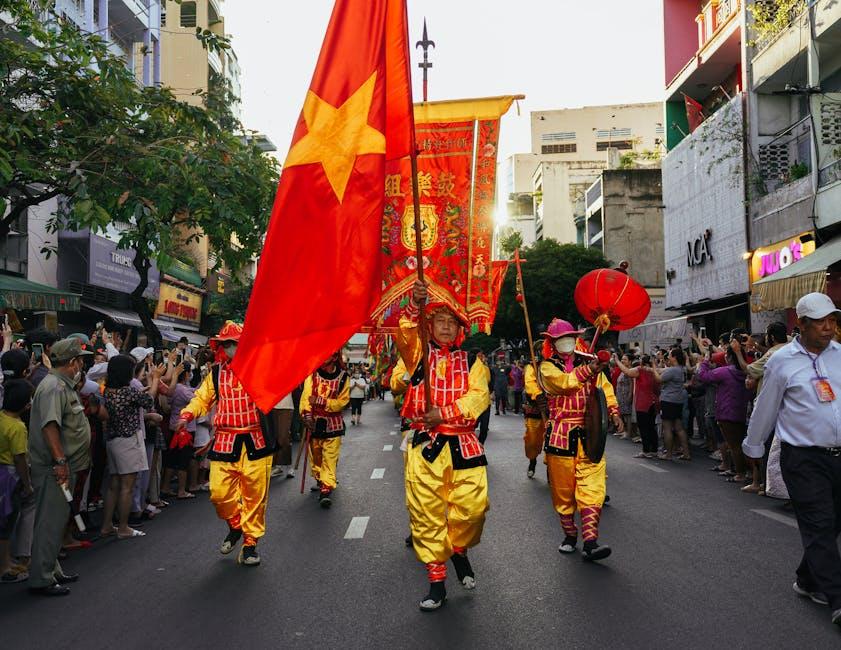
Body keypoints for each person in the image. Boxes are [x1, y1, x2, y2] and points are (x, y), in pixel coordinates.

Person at [743, 293, 841, 627]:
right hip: (802, 458)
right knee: (820, 523)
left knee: (831, 523)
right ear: (800, 324)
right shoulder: (782, 361)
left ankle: (808, 577)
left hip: (838, 456)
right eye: (820, 322)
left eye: (832, 321)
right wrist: (753, 446)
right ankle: (837, 598)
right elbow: (765, 407)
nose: (829, 329)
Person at [396, 280, 490, 611]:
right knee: (428, 515)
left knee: (472, 512)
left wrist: (446, 412)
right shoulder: (416, 356)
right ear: (429, 325)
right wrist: (413, 303)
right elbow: (404, 332)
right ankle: (437, 582)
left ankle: (459, 551)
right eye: (440, 321)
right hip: (427, 449)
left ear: (460, 329)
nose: (447, 327)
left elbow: (479, 398)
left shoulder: (474, 362)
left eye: (452, 322)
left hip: (465, 446)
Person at [176, 322, 277, 567]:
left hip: (256, 440)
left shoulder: (259, 369)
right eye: (227, 344)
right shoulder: (217, 374)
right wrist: (187, 415)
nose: (231, 348)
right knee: (218, 493)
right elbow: (202, 398)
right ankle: (235, 525)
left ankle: (250, 543)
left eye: (235, 343)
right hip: (226, 440)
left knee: (255, 497)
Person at [538, 319, 621, 561]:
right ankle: (570, 534)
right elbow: (564, 384)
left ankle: (591, 541)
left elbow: (603, 391)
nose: (566, 342)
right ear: (552, 343)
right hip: (560, 438)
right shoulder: (547, 367)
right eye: (561, 339)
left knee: (592, 489)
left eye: (570, 337)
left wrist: (613, 412)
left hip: (589, 436)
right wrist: (589, 370)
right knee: (563, 494)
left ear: (576, 339)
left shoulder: (589, 361)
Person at [27, 338, 92, 596]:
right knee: (49, 523)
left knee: (56, 521)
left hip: (65, 466)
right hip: (55, 468)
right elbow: (50, 426)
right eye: (80, 360)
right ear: (73, 362)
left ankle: (52, 570)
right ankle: (42, 578)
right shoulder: (53, 387)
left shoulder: (63, 385)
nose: (82, 365)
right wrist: (60, 461)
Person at [99, 355, 161, 540]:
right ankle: (124, 527)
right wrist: (156, 378)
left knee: (114, 485)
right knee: (128, 486)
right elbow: (149, 401)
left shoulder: (109, 390)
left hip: (113, 440)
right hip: (128, 441)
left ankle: (107, 525)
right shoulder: (128, 392)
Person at [300, 352, 350, 507]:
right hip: (314, 424)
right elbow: (306, 397)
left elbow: (343, 402)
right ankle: (321, 479)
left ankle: (326, 489)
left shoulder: (343, 377)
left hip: (333, 424)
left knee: (329, 458)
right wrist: (306, 415)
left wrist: (321, 401)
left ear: (334, 357)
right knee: (316, 457)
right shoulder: (312, 374)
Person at [697, 342, 751, 485]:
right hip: (740, 410)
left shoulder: (725, 371)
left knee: (734, 446)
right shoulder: (744, 371)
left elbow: (703, 376)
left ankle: (740, 474)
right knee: (738, 444)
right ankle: (742, 471)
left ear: (730, 357)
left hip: (726, 412)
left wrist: (705, 361)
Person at [0, 380, 34, 583]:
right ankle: (4, 566)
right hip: (10, 477)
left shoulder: (2, 418)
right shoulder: (18, 427)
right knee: (7, 521)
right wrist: (27, 483)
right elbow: (20, 458)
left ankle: (6, 559)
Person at [614, 354, 659, 458]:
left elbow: (627, 372)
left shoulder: (640, 370)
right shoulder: (653, 371)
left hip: (643, 403)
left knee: (644, 427)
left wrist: (617, 360)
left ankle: (646, 451)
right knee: (651, 427)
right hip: (653, 402)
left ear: (642, 362)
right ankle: (654, 450)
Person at [650, 348, 690, 460]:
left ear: (675, 357)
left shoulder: (673, 370)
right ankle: (686, 453)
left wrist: (653, 367)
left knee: (667, 427)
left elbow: (658, 379)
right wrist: (654, 367)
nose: (668, 357)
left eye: (670, 355)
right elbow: (663, 370)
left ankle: (668, 454)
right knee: (679, 428)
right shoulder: (681, 369)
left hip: (668, 400)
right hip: (677, 400)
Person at [522, 346, 545, 478]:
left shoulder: (558, 364)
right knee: (532, 440)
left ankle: (552, 470)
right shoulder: (532, 367)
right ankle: (532, 461)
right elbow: (530, 384)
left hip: (555, 409)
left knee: (552, 441)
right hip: (536, 408)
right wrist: (539, 396)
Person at [472, 349, 491, 444]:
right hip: (474, 404)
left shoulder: (486, 369)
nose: (481, 358)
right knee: (472, 427)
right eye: (478, 356)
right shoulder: (469, 368)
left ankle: (480, 444)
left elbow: (490, 383)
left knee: (484, 428)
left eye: (481, 356)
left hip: (486, 403)